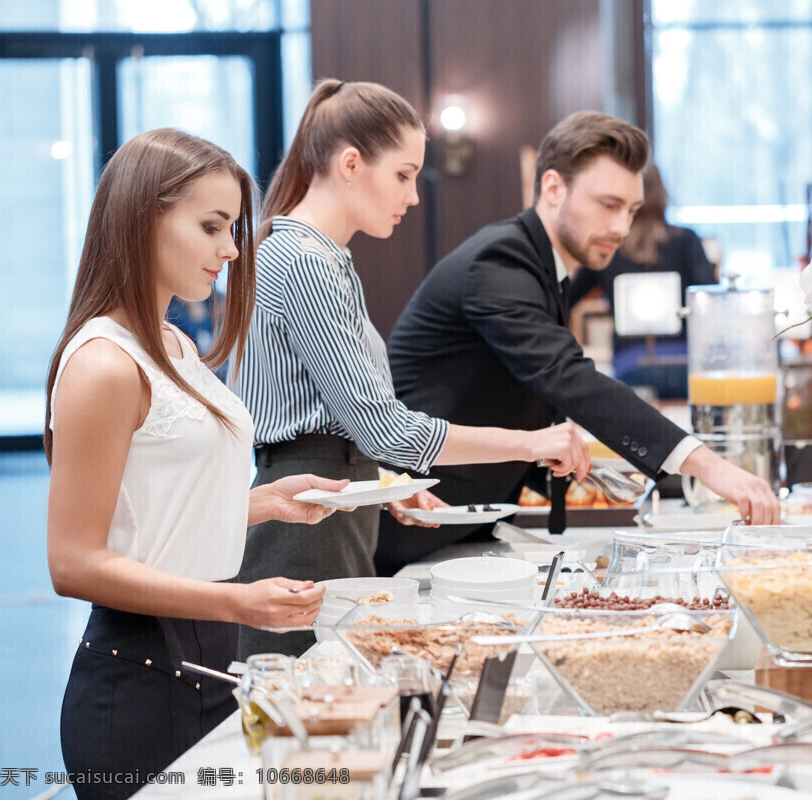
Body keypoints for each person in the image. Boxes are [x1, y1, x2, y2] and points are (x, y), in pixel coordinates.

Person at [234, 80, 590, 658]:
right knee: (306, 719)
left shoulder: (321, 256)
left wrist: (381, 486)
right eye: (403, 175)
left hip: (330, 502)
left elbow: (350, 425)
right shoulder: (304, 262)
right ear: (351, 164)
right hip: (301, 520)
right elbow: (386, 429)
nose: (415, 196)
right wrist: (530, 442)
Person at [45, 129, 350, 799]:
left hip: (209, 670)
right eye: (212, 225)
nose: (233, 249)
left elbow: (153, 516)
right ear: (140, 217)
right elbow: (74, 562)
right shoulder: (103, 364)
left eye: (234, 226)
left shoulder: (176, 342)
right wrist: (237, 601)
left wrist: (265, 502)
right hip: (137, 687)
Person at [378, 111, 781, 576]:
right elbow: (569, 378)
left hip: (462, 527)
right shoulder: (500, 259)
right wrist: (714, 468)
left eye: (630, 210)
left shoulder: (543, 263)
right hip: (410, 524)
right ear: (553, 188)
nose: (622, 227)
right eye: (608, 205)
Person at [567, 162, 717, 399]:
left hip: (630, 367)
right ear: (662, 193)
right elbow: (710, 302)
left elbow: (565, 300)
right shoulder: (687, 241)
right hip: (685, 365)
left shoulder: (607, 248)